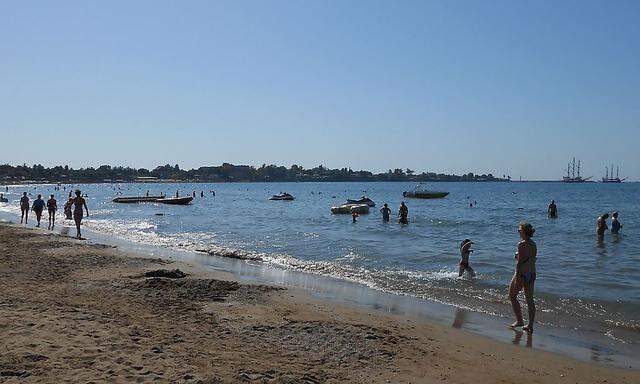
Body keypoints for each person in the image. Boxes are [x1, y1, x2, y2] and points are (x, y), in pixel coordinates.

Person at [509, 222, 537, 333]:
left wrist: (518, 278)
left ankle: (519, 320)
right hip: (532, 273)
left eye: (519, 230)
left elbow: (520, 263)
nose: (518, 232)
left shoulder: (521, 244)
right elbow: (532, 259)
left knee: (512, 295)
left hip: (522, 273)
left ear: (524, 232)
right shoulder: (533, 244)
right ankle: (530, 325)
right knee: (530, 300)